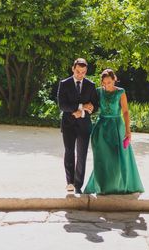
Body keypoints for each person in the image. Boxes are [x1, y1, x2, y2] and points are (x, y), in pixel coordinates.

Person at [83, 68, 144, 195]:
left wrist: (128, 131)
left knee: (118, 157)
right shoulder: (99, 92)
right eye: (104, 83)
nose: (106, 85)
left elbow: (126, 112)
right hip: (101, 127)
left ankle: (118, 186)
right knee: (102, 158)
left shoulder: (120, 92)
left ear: (114, 79)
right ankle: (103, 186)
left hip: (117, 126)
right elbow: (92, 106)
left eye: (109, 82)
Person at [57, 58, 99, 194]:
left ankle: (78, 185)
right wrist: (80, 107)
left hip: (84, 125)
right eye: (78, 71)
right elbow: (62, 105)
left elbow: (95, 105)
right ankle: (69, 182)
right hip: (68, 125)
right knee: (69, 152)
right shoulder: (64, 84)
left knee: (82, 155)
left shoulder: (91, 85)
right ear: (73, 69)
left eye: (83, 72)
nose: (80, 74)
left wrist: (92, 107)